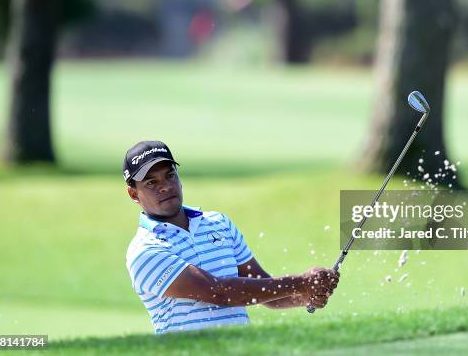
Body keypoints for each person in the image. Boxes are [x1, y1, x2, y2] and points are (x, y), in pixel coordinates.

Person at [123, 141, 339, 334]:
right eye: (151, 183)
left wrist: (308, 294)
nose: (166, 186)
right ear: (134, 194)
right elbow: (220, 292)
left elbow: (263, 288)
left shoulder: (218, 223)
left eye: (170, 175)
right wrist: (299, 283)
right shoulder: (145, 250)